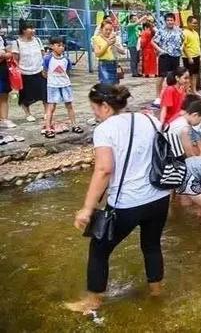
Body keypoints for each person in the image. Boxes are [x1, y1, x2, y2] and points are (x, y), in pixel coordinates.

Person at [68, 84, 170, 313]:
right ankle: (156, 293)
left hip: (128, 203)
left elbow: (104, 169)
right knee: (152, 246)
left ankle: (92, 303)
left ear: (105, 106)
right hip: (159, 197)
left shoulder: (105, 130)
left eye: (94, 107)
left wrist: (87, 208)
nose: (93, 112)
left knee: (98, 250)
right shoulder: (150, 120)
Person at [42, 37, 82, 138]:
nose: (61, 47)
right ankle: (48, 128)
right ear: (52, 46)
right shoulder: (48, 58)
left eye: (63, 45)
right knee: (51, 107)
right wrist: (52, 80)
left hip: (65, 84)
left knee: (69, 105)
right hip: (53, 86)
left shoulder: (66, 59)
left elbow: (67, 71)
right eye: (58, 45)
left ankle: (74, 125)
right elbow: (44, 72)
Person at [11, 20, 48, 122]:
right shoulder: (17, 43)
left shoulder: (38, 40)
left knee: (44, 93)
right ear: (23, 30)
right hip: (24, 73)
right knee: (25, 95)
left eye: (33, 28)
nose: (33, 30)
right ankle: (28, 113)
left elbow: (43, 55)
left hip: (39, 70)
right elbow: (15, 60)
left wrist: (45, 69)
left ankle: (46, 112)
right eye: (30, 28)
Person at [152, 13, 184, 105]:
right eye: (168, 20)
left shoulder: (179, 31)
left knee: (174, 76)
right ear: (165, 21)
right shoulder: (160, 31)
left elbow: (183, 41)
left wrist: (181, 47)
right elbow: (153, 42)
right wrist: (160, 50)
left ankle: (174, 95)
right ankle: (158, 97)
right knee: (161, 76)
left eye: (171, 20)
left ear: (174, 21)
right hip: (165, 56)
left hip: (176, 55)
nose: (170, 22)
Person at [92, 19, 126, 85]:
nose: (108, 31)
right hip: (104, 65)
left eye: (110, 30)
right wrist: (107, 44)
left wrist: (114, 45)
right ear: (101, 29)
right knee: (107, 86)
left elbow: (123, 52)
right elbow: (98, 54)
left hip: (114, 64)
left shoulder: (115, 38)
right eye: (106, 29)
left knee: (115, 86)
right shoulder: (97, 39)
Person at [182, 16, 201, 92]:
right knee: (188, 75)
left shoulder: (195, 33)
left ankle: (194, 90)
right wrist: (189, 57)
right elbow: (184, 46)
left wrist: (200, 56)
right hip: (188, 57)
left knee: (195, 74)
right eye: (193, 23)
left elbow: (197, 45)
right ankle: (186, 91)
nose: (195, 25)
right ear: (188, 23)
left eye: (196, 23)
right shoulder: (184, 33)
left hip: (196, 56)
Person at [0, 35, 16, 129]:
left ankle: (4, 119)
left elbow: (10, 52)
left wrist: (5, 55)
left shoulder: (2, 38)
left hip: (2, 69)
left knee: (3, 94)